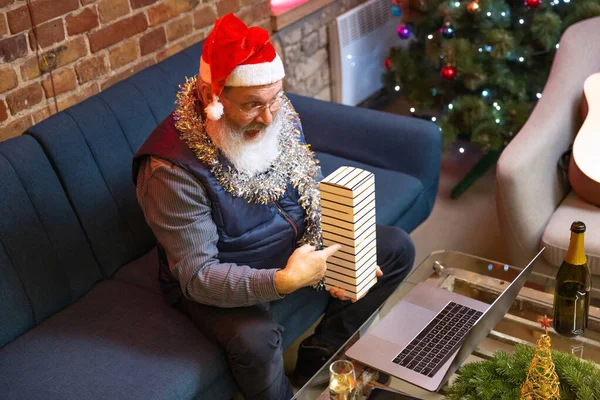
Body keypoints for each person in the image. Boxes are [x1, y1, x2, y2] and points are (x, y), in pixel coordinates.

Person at [133, 13, 415, 400]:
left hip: (292, 243)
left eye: (275, 100)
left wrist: (340, 251)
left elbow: (307, 189)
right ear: (209, 98)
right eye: (251, 105)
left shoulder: (276, 114)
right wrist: (284, 281)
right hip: (223, 269)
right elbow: (198, 277)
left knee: (396, 248)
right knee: (257, 341)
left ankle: (320, 351)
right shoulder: (169, 171)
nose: (268, 118)